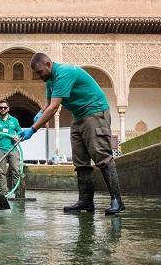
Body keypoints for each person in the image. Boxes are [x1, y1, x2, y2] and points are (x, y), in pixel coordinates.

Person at [19, 53, 124, 215]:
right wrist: (40, 113)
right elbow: (47, 104)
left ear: (48, 64)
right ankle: (86, 201)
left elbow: (54, 108)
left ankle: (117, 200)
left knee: (101, 155)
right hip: (78, 116)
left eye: (40, 72)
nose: (39, 76)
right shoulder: (50, 80)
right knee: (80, 161)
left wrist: (33, 129)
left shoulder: (64, 73)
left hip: (94, 111)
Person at [0, 100, 23, 196]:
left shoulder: (14, 120)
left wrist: (18, 137)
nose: (3, 109)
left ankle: (18, 193)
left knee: (16, 170)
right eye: (1, 107)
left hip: (13, 149)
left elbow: (20, 132)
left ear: (8, 109)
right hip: (0, 149)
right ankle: (4, 193)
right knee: (1, 172)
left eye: (5, 108)